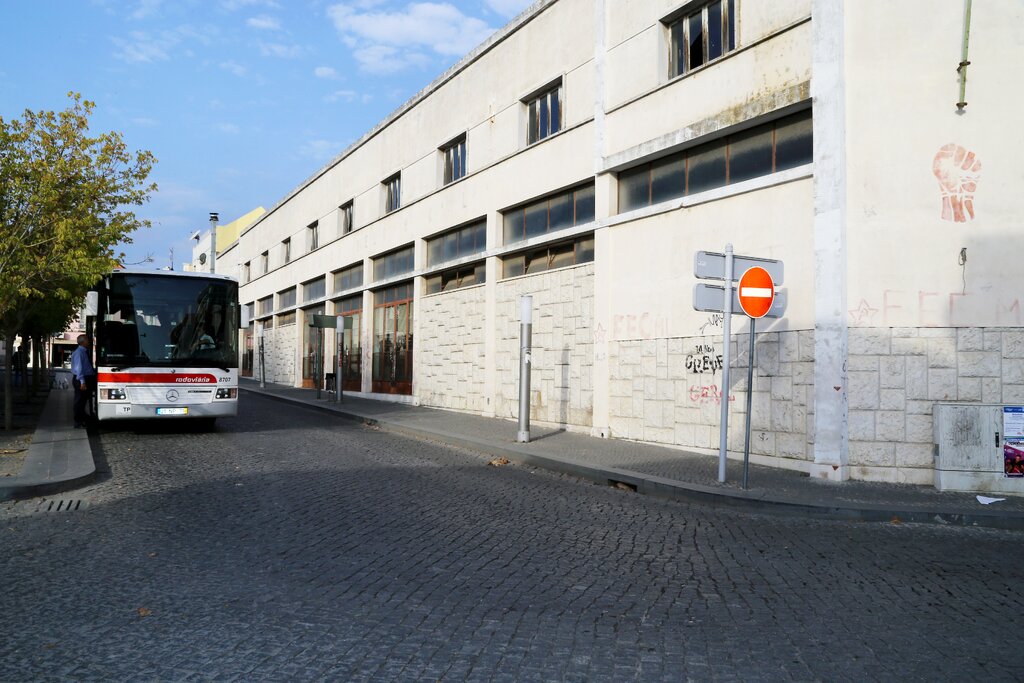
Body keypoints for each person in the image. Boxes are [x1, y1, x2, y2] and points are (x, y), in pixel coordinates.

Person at [70, 334, 95, 428]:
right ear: (83, 342)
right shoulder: (79, 353)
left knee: (83, 401)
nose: (89, 341)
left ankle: (83, 418)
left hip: (86, 379)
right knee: (79, 401)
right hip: (81, 379)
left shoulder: (83, 352)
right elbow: (79, 368)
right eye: (88, 340)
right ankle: (78, 421)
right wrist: (82, 382)